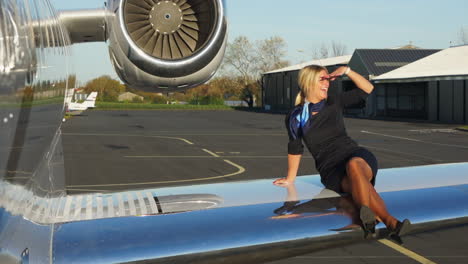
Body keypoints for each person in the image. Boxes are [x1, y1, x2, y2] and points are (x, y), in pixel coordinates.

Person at [273, 65, 411, 242]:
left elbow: (367, 88)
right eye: (322, 79)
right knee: (360, 186)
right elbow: (295, 147)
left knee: (354, 165)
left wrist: (347, 71)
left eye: (328, 79)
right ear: (308, 82)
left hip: (356, 155)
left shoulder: (333, 101)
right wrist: (290, 178)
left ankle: (369, 219)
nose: (327, 83)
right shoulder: (296, 116)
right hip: (331, 170)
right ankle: (391, 223)